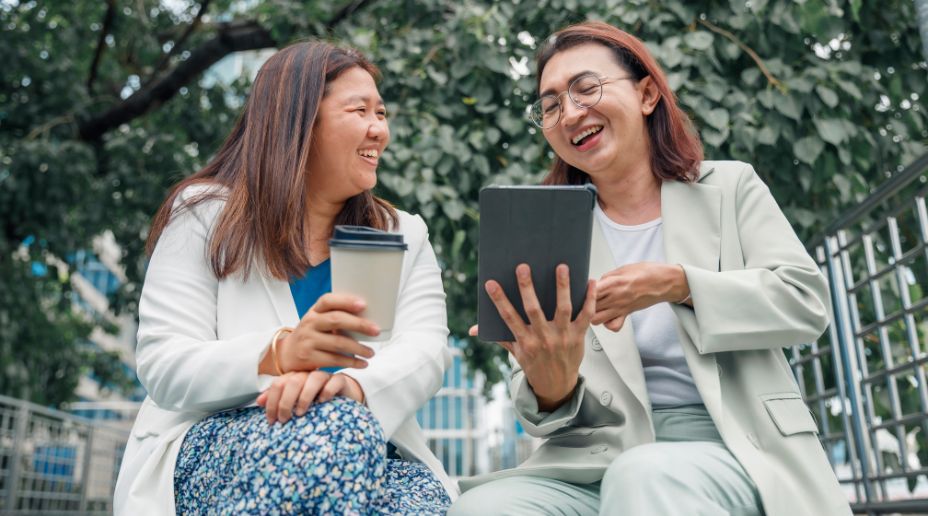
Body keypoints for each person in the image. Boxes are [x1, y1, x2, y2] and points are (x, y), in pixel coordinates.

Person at [451, 21, 850, 516]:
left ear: (645, 95)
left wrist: (677, 284)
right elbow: (542, 412)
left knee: (644, 475)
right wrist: (550, 382)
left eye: (586, 88)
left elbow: (805, 304)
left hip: (736, 442)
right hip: (592, 461)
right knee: (484, 508)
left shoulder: (729, 187)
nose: (570, 113)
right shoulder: (546, 230)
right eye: (550, 105)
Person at [113, 40, 456, 515]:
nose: (380, 130)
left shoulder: (405, 233)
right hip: (218, 446)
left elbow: (427, 350)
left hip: (365, 441)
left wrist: (352, 389)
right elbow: (163, 364)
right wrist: (279, 354)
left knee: (418, 502)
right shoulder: (204, 214)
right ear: (298, 122)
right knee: (336, 429)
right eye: (360, 111)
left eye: (382, 113)